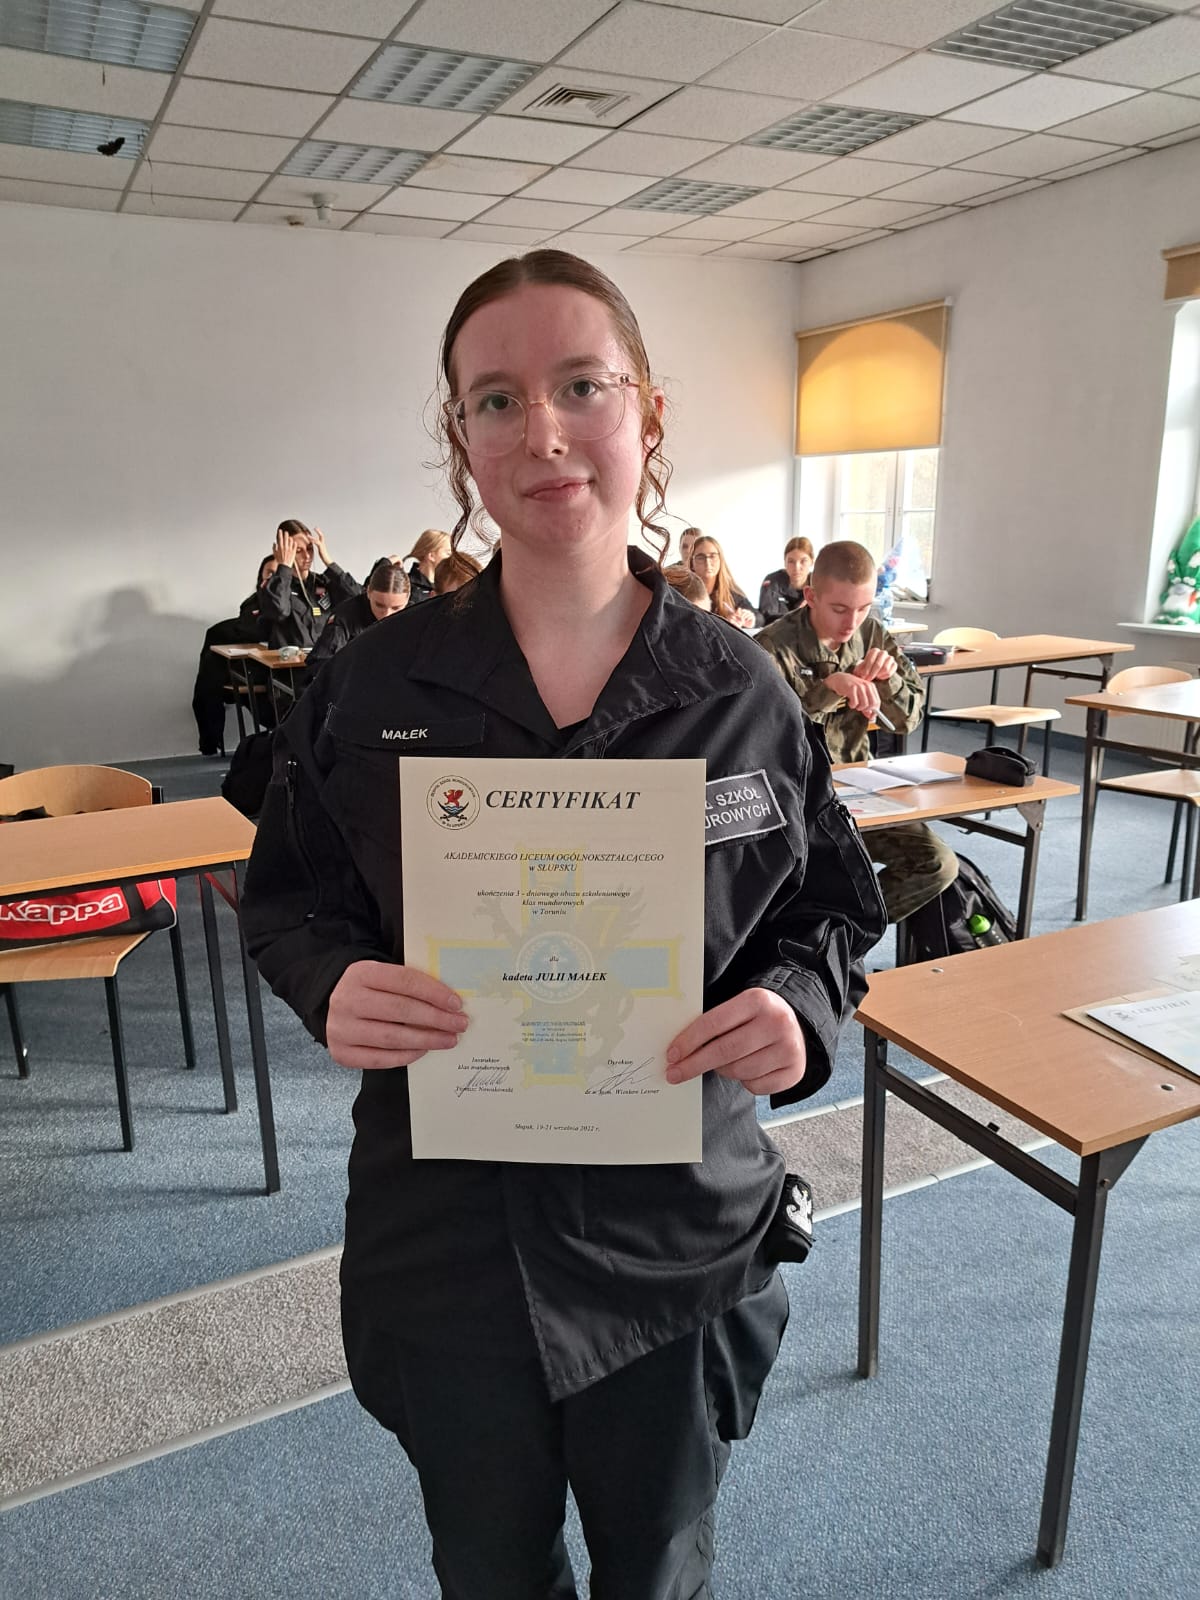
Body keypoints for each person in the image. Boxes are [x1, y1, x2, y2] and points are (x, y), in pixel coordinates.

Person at [241, 249, 883, 1600]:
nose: (542, 431)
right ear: (461, 441)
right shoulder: (372, 686)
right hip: (451, 1235)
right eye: (496, 399)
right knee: (488, 1569)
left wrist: (795, 1010)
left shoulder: (741, 692)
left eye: (582, 386)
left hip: (674, 1237)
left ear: (647, 414)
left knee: (656, 1568)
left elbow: (828, 909)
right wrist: (330, 979)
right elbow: (292, 895)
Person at [755, 538, 958, 925]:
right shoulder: (772, 647)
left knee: (936, 863)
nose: (852, 622)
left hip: (858, 794)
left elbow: (908, 719)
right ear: (811, 596)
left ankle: (841, 936)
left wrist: (888, 680)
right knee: (807, 885)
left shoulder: (872, 635)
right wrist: (829, 689)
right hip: (799, 805)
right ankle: (826, 937)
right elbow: (766, 737)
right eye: (840, 609)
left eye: (864, 608)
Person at [190, 553, 278, 756]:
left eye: (277, 574)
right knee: (214, 653)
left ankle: (209, 738)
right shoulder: (253, 602)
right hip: (252, 663)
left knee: (213, 666)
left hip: (273, 667)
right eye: (268, 573)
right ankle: (210, 733)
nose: (271, 578)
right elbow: (247, 628)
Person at [258, 520, 361, 649]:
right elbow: (279, 611)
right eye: (298, 551)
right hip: (290, 660)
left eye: (310, 549)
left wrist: (328, 561)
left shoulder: (322, 582)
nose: (307, 556)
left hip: (323, 657)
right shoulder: (274, 586)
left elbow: (358, 598)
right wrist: (284, 566)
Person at [303, 561, 411, 680]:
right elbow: (319, 665)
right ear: (368, 592)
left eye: (396, 608)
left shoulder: (415, 615)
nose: (387, 614)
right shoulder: (345, 616)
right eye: (379, 605)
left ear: (407, 599)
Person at [690, 534, 760, 629]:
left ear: (721, 559)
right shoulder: (682, 591)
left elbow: (760, 618)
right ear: (692, 563)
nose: (707, 562)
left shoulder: (732, 592)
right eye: (700, 557)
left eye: (713, 556)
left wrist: (750, 619)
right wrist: (724, 624)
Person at [758, 536, 813, 622]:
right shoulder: (773, 582)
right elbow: (768, 617)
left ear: (812, 561)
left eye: (803, 561)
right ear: (785, 562)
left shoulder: (819, 585)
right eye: (791, 561)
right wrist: (798, 614)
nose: (796, 567)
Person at [404, 528, 452, 603]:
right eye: (448, 553)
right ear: (431, 556)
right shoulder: (405, 585)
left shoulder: (447, 586)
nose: (452, 558)